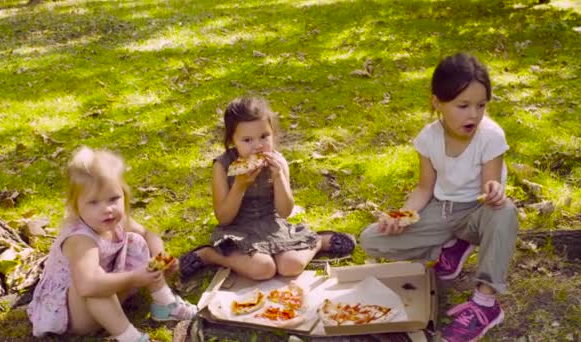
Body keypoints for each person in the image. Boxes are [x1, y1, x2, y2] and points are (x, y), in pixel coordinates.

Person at [359, 53, 518, 342]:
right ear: (437, 103)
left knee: (505, 211)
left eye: (481, 105)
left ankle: (485, 304)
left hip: (477, 214)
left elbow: (489, 184)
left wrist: (494, 192)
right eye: (463, 105)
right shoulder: (428, 138)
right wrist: (401, 217)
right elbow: (424, 188)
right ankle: (449, 247)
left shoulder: (491, 136)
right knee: (371, 238)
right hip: (442, 212)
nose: (473, 114)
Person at [27, 147, 197, 341]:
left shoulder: (116, 219)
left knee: (137, 240)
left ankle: (165, 305)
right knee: (94, 281)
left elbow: (147, 234)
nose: (107, 209)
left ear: (124, 195)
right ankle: (130, 337)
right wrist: (134, 278)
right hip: (72, 315)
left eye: (114, 198)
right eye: (93, 202)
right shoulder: (80, 239)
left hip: (107, 293)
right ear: (76, 206)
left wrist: (161, 256)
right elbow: (87, 287)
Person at [179, 96, 356, 280]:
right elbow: (223, 218)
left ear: (273, 132)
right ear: (232, 140)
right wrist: (239, 186)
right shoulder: (223, 167)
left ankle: (319, 241)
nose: (258, 146)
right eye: (247, 140)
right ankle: (209, 255)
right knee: (263, 269)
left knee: (291, 266)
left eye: (264, 136)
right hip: (238, 230)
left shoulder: (278, 162)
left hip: (273, 226)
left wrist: (278, 177)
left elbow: (285, 211)